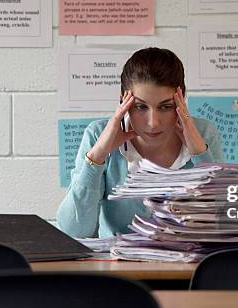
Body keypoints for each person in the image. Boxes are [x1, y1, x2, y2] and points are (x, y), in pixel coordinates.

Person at [56, 47, 224, 238]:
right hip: (118, 264)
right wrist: (97, 156)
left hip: (186, 264)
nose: (153, 123)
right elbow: (72, 231)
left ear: (181, 101)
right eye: (140, 107)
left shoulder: (202, 133)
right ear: (123, 102)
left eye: (166, 107)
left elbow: (224, 223)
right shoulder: (97, 135)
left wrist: (201, 155)